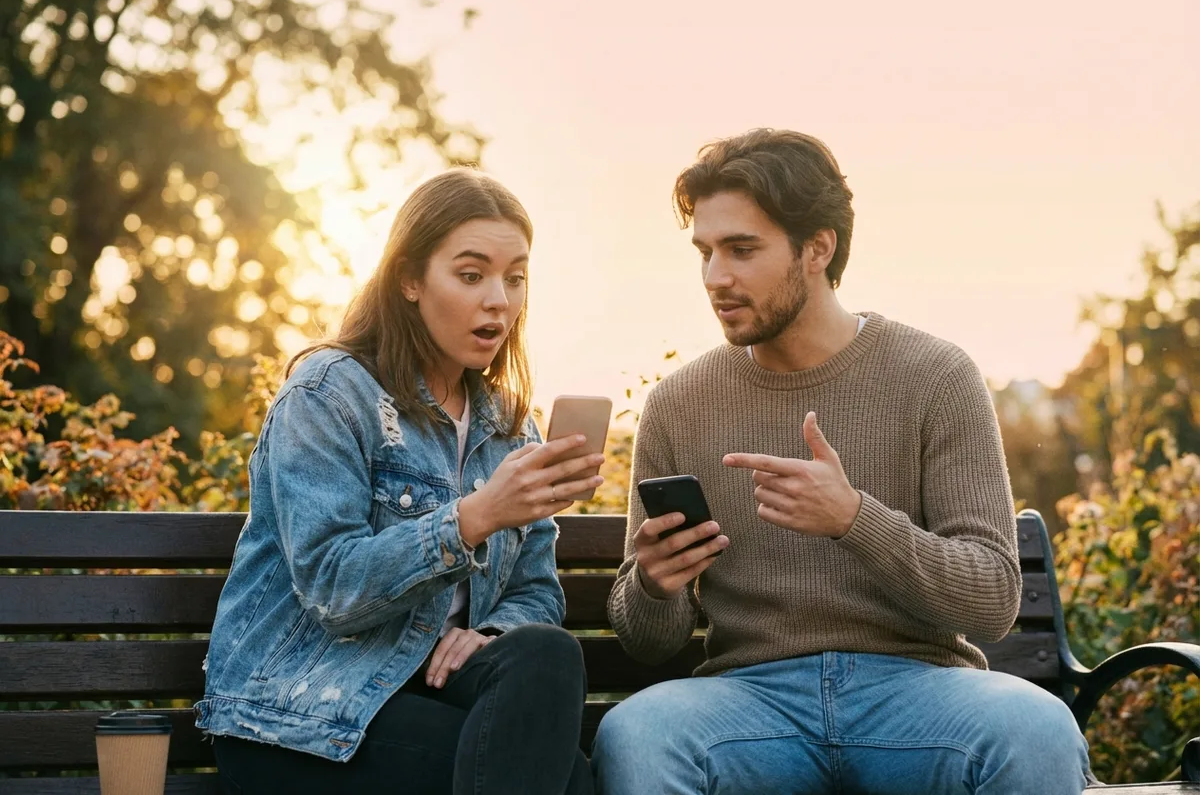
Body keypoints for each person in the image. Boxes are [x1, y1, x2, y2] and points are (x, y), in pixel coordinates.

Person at [591, 129, 1092, 794]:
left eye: (742, 250)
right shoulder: (678, 405)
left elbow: (994, 600)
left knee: (1038, 731)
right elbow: (649, 643)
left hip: (920, 697)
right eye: (705, 252)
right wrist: (655, 584)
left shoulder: (934, 375)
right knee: (637, 735)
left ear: (817, 247)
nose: (716, 277)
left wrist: (855, 519)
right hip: (749, 705)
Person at [196, 168, 600, 795]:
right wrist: (473, 517)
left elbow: (536, 591)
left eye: (515, 277)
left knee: (546, 652)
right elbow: (332, 588)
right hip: (300, 713)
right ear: (409, 279)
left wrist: (486, 634)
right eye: (471, 275)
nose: (499, 299)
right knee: (567, 781)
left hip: (428, 691)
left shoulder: (511, 432)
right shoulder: (329, 394)